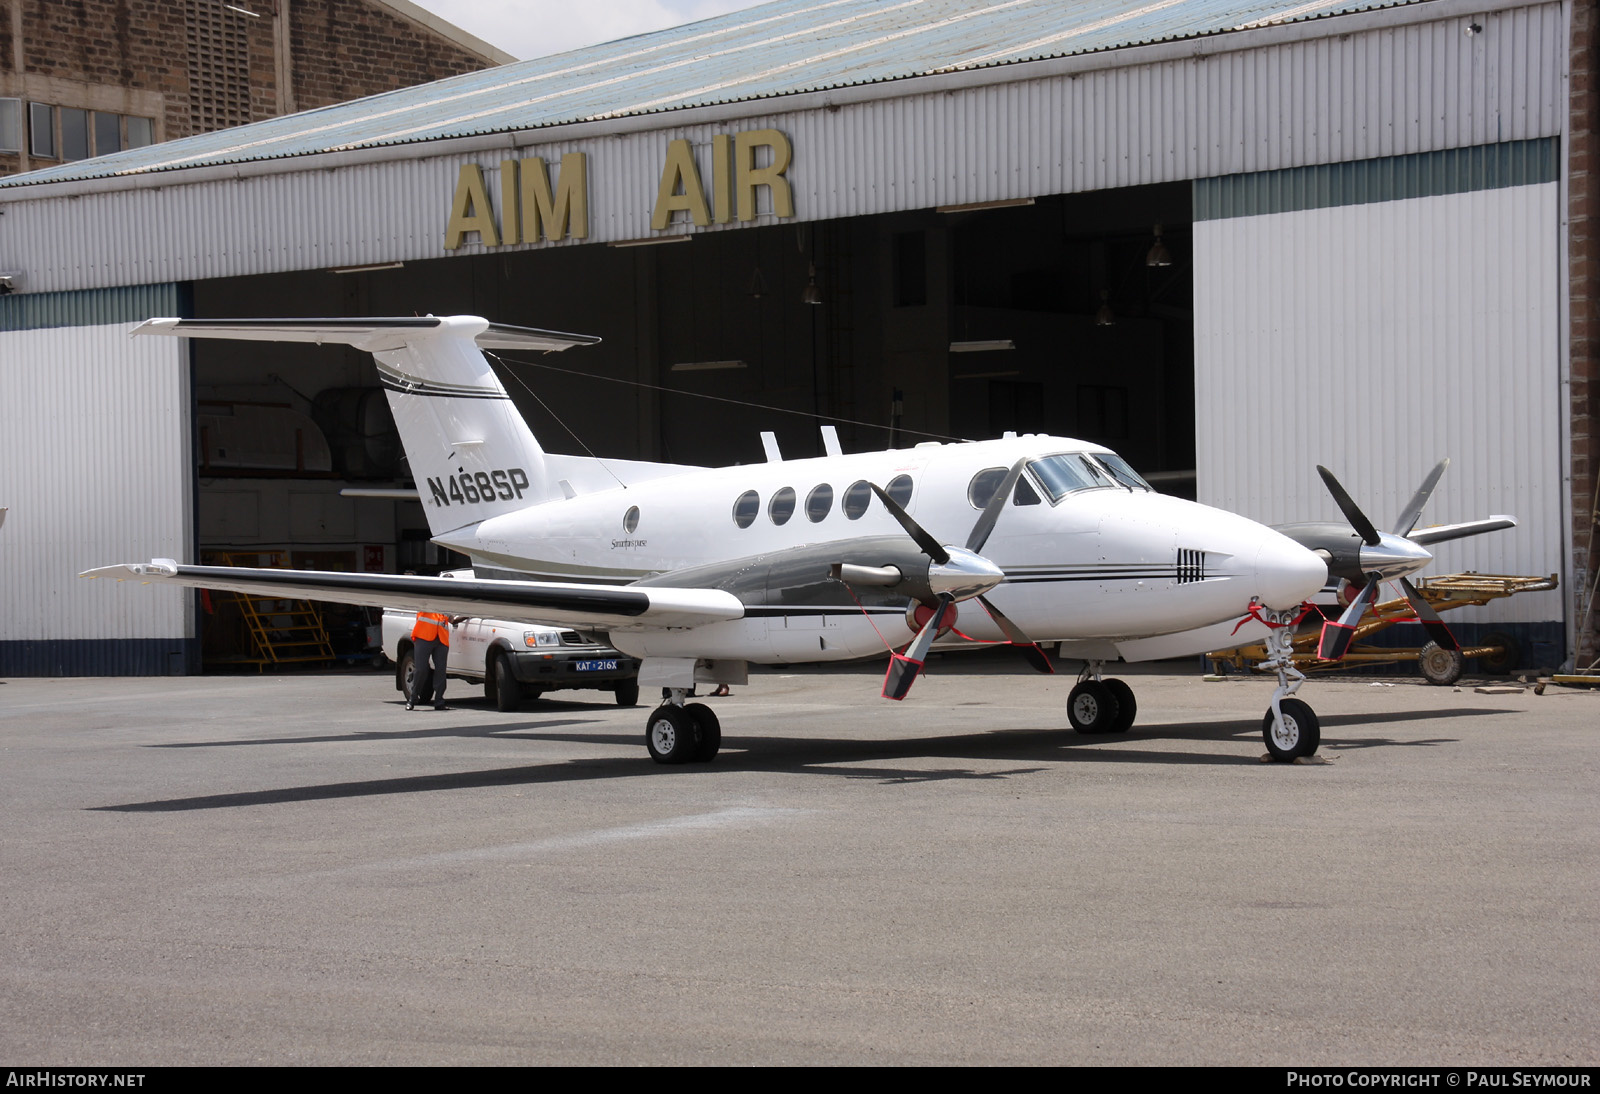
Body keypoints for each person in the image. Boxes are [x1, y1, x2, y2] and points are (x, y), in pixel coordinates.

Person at [408, 610, 464, 710]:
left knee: (441, 671)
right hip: (424, 636)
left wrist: (468, 616)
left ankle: (439, 701)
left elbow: (452, 620)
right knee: (421, 669)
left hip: (441, 639)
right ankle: (413, 698)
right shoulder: (428, 602)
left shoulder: (445, 605)